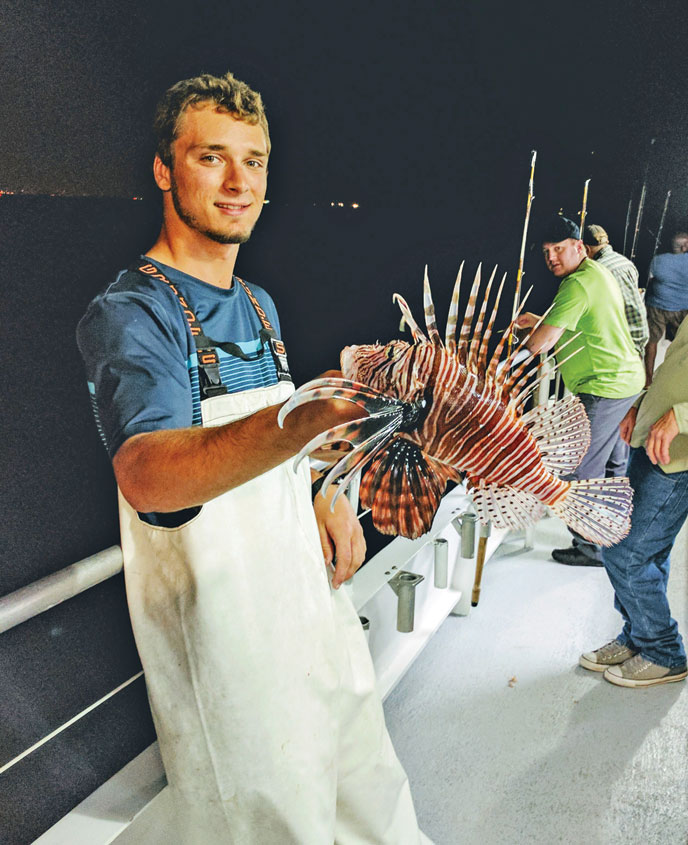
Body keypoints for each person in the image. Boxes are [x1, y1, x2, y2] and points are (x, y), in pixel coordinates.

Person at [77, 72, 430, 845]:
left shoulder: (260, 306)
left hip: (313, 611)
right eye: (213, 157)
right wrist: (298, 420)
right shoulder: (134, 312)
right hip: (228, 650)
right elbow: (150, 475)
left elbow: (271, 452)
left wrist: (324, 488)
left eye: (256, 160)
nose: (240, 182)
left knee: (371, 797)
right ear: (165, 170)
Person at [578, 295, 688, 687]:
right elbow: (679, 361)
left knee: (624, 551)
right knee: (651, 552)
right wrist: (644, 405)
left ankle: (664, 652)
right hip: (654, 437)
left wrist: (682, 415)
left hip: (682, 453)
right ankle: (638, 636)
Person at [515, 215, 645, 566]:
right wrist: (542, 320)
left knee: (580, 469)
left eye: (558, 249)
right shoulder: (596, 273)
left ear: (578, 247)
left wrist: (508, 355)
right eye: (546, 252)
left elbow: (540, 345)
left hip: (604, 388)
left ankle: (591, 548)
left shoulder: (576, 285)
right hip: (627, 380)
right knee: (615, 462)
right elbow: (583, 320)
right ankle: (615, 530)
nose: (552, 258)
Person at [582, 223, 649, 359]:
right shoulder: (625, 262)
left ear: (586, 249)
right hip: (639, 337)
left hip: (622, 344)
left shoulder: (599, 270)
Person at [644, 231, 688, 387]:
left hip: (657, 307)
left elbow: (650, 281)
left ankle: (648, 380)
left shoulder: (658, 260)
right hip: (682, 309)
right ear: (684, 247)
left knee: (652, 342)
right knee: (681, 343)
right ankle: (675, 376)